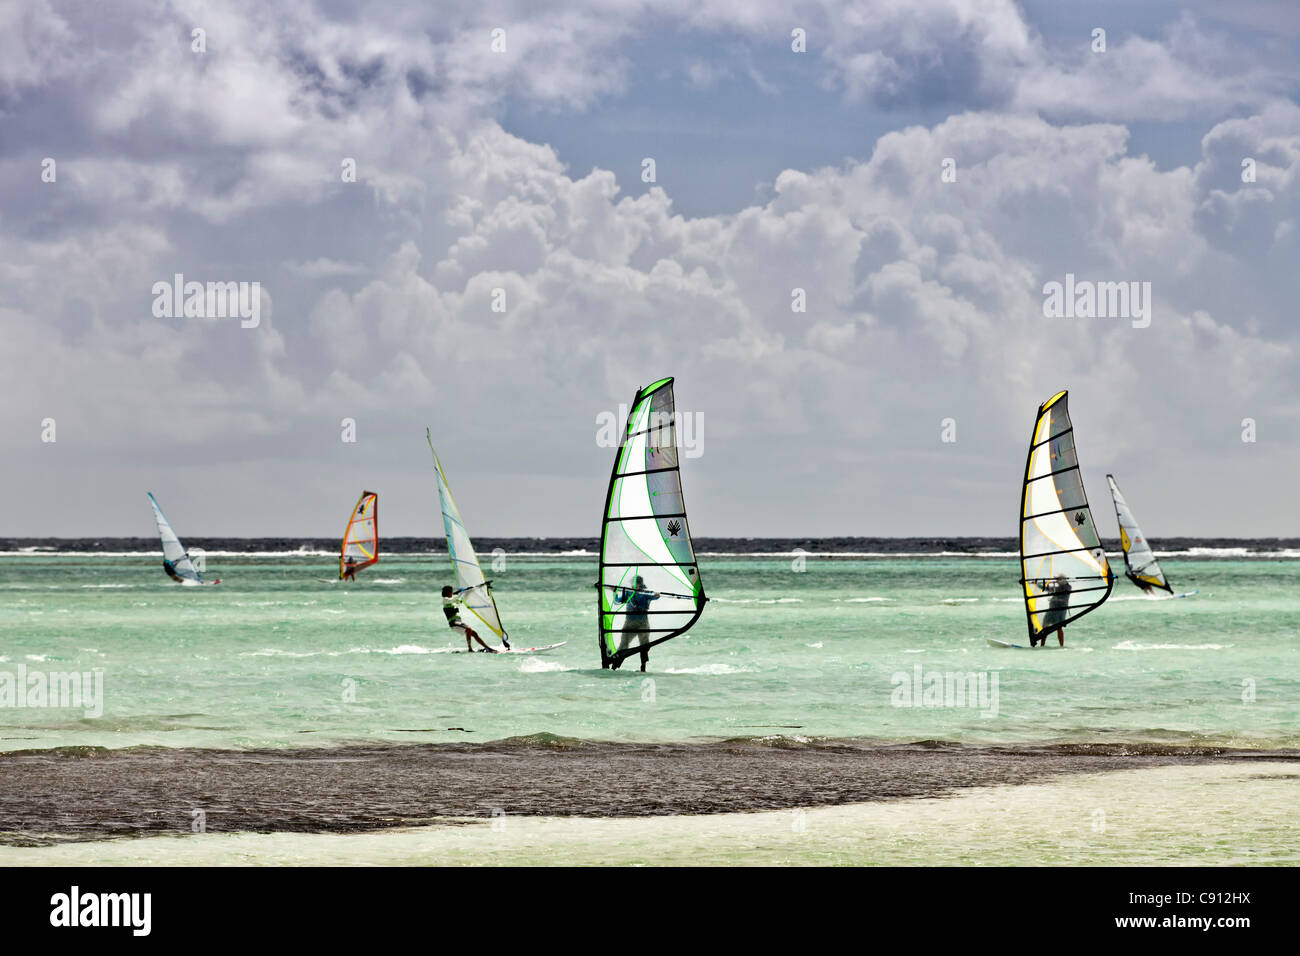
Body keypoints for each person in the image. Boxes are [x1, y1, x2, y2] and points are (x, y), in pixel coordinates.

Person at [610, 575, 658, 671]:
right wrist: (614, 592)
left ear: (640, 585)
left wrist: (657, 595)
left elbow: (655, 597)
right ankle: (614, 667)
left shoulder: (645, 593)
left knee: (644, 645)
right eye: (633, 584)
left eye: (637, 584)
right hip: (629, 623)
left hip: (643, 623)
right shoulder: (628, 593)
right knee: (623, 645)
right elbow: (616, 601)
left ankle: (643, 667)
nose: (634, 586)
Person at [443, 585, 497, 652]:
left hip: (458, 622)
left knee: (474, 633)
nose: (452, 593)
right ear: (448, 593)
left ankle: (487, 648)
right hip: (453, 623)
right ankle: (470, 648)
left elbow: (459, 600)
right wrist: (462, 592)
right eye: (451, 591)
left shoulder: (452, 601)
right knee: (468, 629)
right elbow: (455, 599)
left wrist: (466, 592)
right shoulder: (445, 600)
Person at [1035, 573, 1071, 647]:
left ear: (1063, 580)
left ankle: (1061, 645)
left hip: (1060, 610)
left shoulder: (1067, 587)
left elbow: (1053, 589)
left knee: (1058, 628)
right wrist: (1037, 584)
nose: (1056, 581)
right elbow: (1049, 589)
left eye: (1058, 579)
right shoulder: (1059, 587)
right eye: (1056, 579)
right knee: (1045, 626)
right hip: (1052, 609)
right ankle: (1042, 645)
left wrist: (1041, 585)